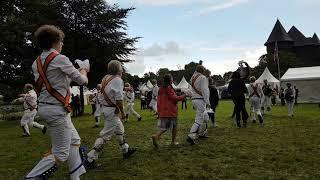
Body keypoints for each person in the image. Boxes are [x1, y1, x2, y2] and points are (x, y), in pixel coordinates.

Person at [26, 25, 88, 179]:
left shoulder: (36, 62)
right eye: (61, 41)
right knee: (61, 152)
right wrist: (84, 69)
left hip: (47, 107)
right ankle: (32, 178)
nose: (62, 44)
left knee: (75, 140)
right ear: (55, 41)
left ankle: (76, 177)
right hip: (57, 110)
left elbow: (53, 82)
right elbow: (82, 81)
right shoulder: (60, 59)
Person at [86, 60, 136, 168]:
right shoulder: (118, 79)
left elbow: (110, 90)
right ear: (118, 69)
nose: (122, 69)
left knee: (120, 130)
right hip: (112, 111)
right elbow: (118, 99)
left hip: (107, 109)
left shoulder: (106, 77)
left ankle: (125, 150)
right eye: (121, 68)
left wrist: (124, 88)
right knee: (105, 135)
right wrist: (122, 112)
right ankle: (90, 158)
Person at [152, 74, 185, 148]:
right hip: (171, 111)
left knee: (165, 127)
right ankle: (172, 142)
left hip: (163, 111)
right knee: (174, 127)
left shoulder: (161, 88)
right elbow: (174, 98)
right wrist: (184, 96)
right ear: (170, 80)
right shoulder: (168, 88)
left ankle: (156, 136)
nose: (172, 80)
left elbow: (161, 99)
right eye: (172, 79)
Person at [186, 65, 210, 145]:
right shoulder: (203, 78)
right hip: (200, 100)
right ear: (203, 70)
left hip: (194, 99)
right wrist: (208, 102)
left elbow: (188, 90)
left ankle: (202, 133)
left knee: (205, 117)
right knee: (199, 119)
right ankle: (191, 136)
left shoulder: (192, 77)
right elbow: (205, 90)